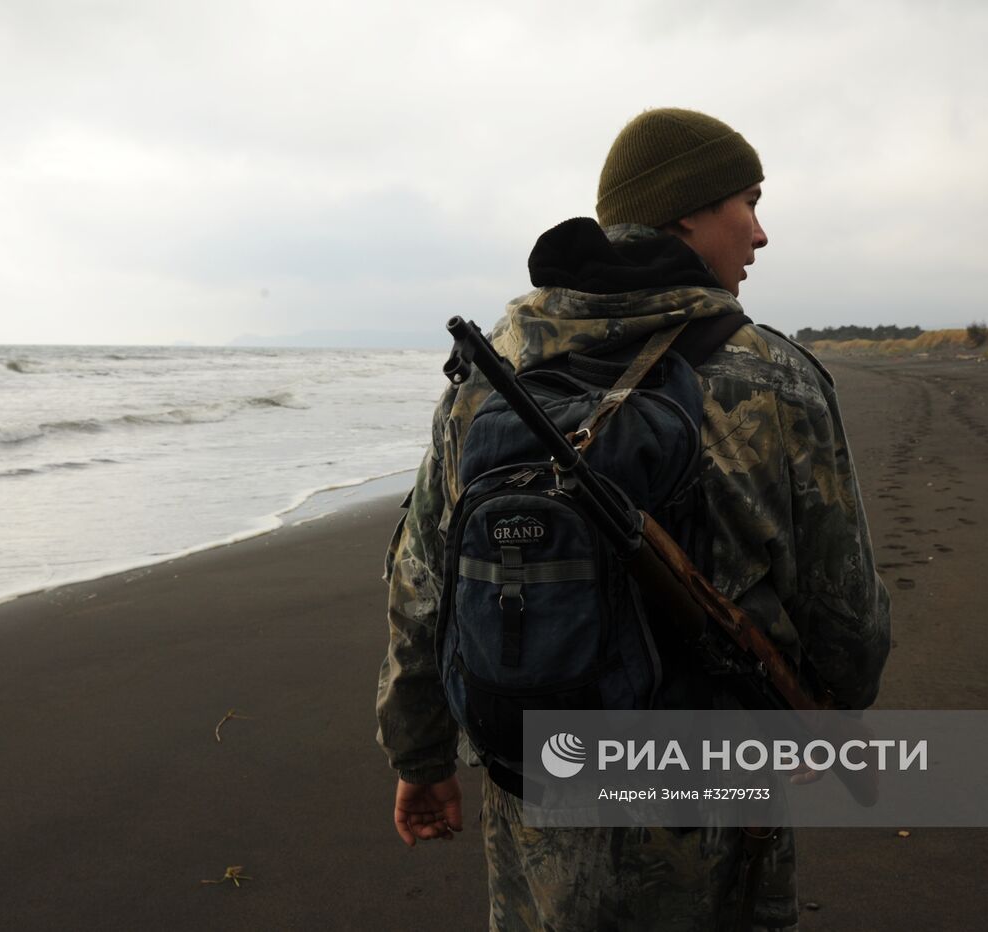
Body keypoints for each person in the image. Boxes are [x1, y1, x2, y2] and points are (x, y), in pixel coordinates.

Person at [376, 107, 891, 931]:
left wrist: (421, 752)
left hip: (538, 770)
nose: (760, 234)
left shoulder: (493, 375)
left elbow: (423, 583)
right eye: (746, 203)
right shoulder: (773, 379)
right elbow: (845, 605)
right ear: (685, 210)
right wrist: (830, 707)